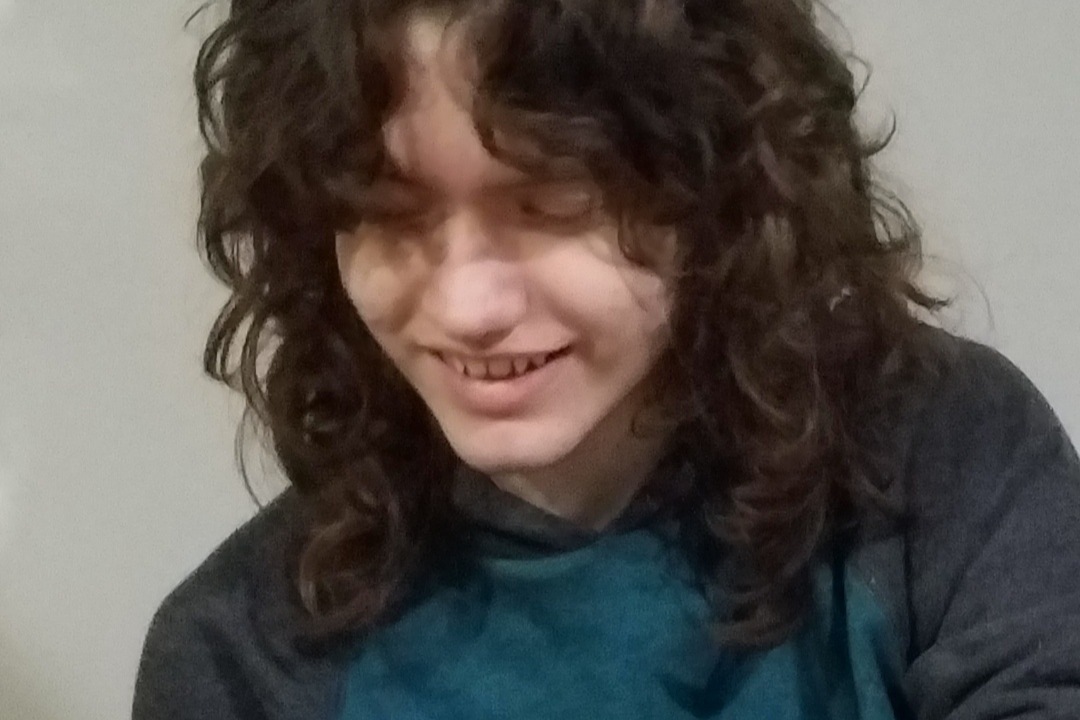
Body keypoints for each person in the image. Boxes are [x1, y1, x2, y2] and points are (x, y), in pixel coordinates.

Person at [133, 0, 1080, 717]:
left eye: (553, 203)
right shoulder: (237, 658)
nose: (467, 307)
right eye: (387, 214)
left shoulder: (946, 454)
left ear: (715, 181)